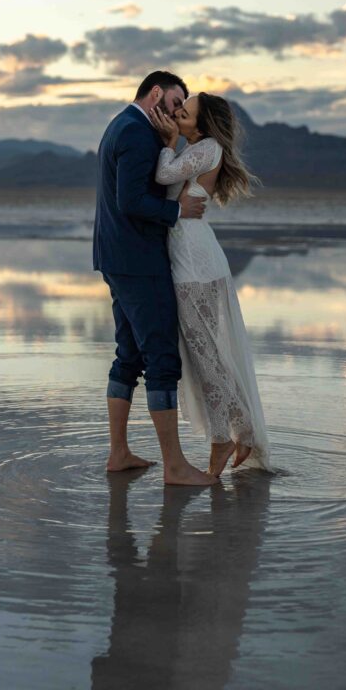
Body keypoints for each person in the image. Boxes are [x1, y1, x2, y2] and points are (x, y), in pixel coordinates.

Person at [93, 71, 217, 486]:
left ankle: (119, 453)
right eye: (176, 101)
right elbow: (130, 201)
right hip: (138, 260)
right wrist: (177, 212)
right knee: (162, 358)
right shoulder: (135, 132)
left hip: (118, 256)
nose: (178, 110)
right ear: (157, 93)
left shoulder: (121, 125)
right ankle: (175, 467)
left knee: (128, 354)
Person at [149, 92, 273, 474]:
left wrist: (168, 144)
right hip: (194, 259)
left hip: (196, 265)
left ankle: (228, 438)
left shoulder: (206, 148)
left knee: (207, 358)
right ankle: (238, 432)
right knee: (208, 358)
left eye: (183, 113)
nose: (175, 115)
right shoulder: (201, 148)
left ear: (200, 125)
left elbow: (163, 175)